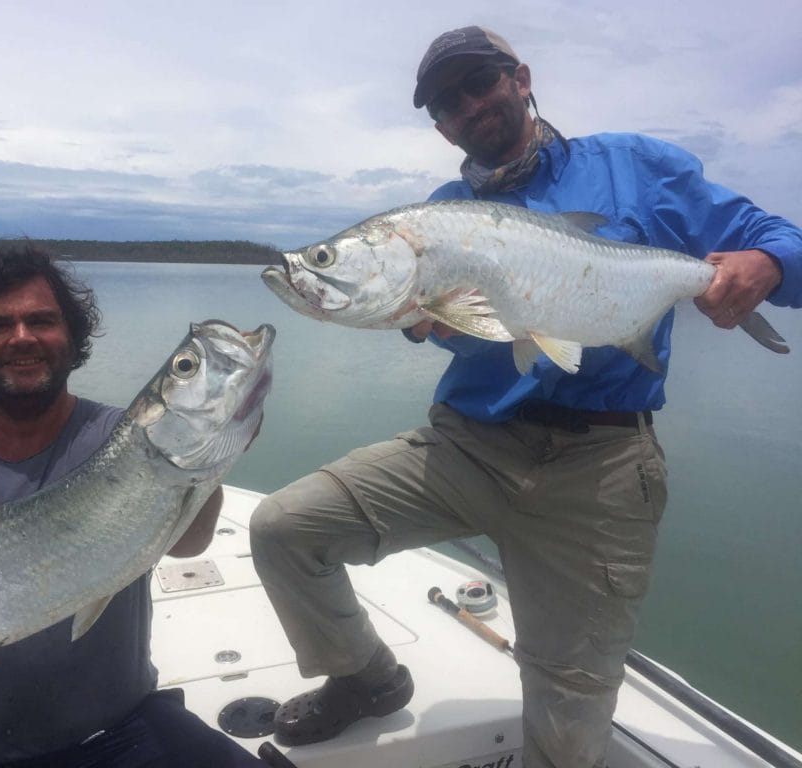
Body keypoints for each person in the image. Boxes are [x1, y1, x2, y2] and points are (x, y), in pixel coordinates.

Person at [249, 25, 802, 768]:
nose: (469, 105)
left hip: (601, 471)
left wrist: (767, 262)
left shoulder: (634, 167)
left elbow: (779, 237)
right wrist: (423, 324)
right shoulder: (440, 216)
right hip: (466, 448)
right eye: (447, 102)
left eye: (481, 81)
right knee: (283, 528)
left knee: (569, 726)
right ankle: (366, 680)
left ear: (522, 77)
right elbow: (463, 329)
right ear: (439, 126)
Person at [0, 246, 270, 767]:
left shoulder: (119, 437)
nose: (22, 337)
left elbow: (191, 541)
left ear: (72, 335)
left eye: (41, 320)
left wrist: (211, 460)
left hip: (121, 732)